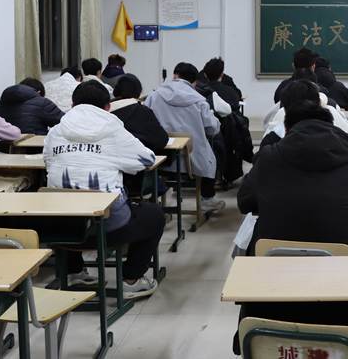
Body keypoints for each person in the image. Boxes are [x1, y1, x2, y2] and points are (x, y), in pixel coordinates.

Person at [238, 80, 348, 255]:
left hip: (275, 268)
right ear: (331, 126)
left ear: (286, 130)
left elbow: (244, 202)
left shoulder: (267, 160)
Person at [44, 81, 164, 299]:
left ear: (72, 104)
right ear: (108, 107)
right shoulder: (113, 130)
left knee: (66, 198)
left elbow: (48, 162)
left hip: (60, 229)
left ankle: (73, 273)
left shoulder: (56, 131)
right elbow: (147, 159)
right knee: (154, 215)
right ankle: (131, 280)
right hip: (106, 229)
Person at [145, 62, 225, 213]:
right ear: (194, 82)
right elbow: (212, 128)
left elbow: (146, 121)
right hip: (192, 160)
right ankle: (207, 198)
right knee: (214, 151)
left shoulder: (154, 96)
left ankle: (157, 202)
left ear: (174, 76)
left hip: (162, 159)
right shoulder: (198, 100)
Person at [110, 74, 169, 153]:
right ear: (138, 92)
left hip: (110, 157)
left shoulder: (104, 111)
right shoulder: (143, 111)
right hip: (139, 157)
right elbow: (162, 140)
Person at [0, 78, 64, 135]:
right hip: (35, 146)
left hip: (3, 146)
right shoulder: (42, 102)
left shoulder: (0, 103)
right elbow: (65, 122)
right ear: (39, 92)